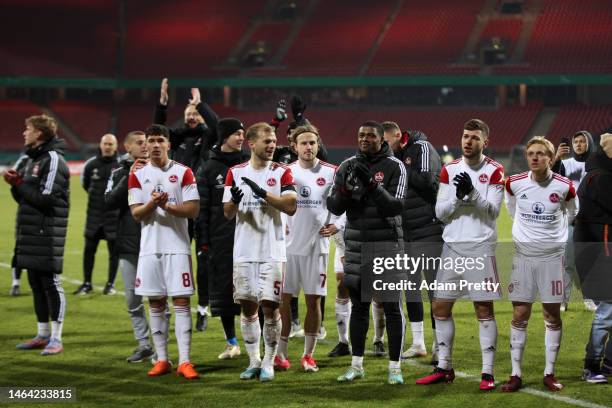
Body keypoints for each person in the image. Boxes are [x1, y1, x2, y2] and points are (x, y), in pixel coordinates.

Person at [416, 119, 504, 391]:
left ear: (484, 142)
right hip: (452, 248)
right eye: (465, 136)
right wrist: (458, 196)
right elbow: (441, 213)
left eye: (474, 138)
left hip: (481, 248)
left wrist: (473, 193)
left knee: (483, 309)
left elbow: (492, 211)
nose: (468, 141)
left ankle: (487, 373)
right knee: (440, 308)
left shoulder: (495, 170)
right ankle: (444, 367)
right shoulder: (449, 169)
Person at [327, 120, 408, 385]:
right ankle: (356, 365)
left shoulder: (395, 166)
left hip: (386, 245)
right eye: (360, 135)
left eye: (370, 136)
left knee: (391, 307)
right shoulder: (347, 165)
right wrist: (346, 189)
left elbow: (395, 207)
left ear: (381, 139)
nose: (364, 139)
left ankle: (394, 368)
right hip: (356, 247)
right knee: (359, 308)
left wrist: (372, 186)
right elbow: (335, 207)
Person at [502, 136, 577, 392]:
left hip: (552, 259)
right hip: (523, 257)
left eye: (540, 153)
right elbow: (511, 209)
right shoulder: (514, 183)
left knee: (551, 315)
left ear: (551, 157)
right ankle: (515, 374)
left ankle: (549, 372)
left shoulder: (565, 186)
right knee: (520, 314)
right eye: (531, 153)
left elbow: (572, 213)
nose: (534, 157)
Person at [223, 122, 297, 382]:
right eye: (267, 141)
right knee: (247, 307)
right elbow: (227, 213)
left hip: (272, 251)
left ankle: (269, 361)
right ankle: (253, 359)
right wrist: (233, 200)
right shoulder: (234, 172)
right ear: (251, 144)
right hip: (244, 251)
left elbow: (290, 206)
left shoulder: (282, 172)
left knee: (270, 307)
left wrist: (263, 194)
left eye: (274, 140)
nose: (272, 144)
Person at [128, 124, 200, 379]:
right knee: (155, 303)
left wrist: (167, 206)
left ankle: (185, 361)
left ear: (169, 144)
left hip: (178, 247)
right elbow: (136, 213)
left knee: (181, 302)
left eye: (161, 140)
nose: (156, 145)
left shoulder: (183, 172)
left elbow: (193, 210)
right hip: (150, 249)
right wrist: (152, 203)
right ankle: (162, 360)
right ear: (145, 145)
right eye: (152, 141)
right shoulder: (137, 174)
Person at [4, 114, 69, 356]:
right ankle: (42, 335)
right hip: (30, 231)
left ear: (39, 133)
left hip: (46, 231)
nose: (24, 133)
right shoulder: (33, 160)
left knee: (50, 283)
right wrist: (17, 185)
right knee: (35, 283)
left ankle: (56, 338)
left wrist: (19, 183)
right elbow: (25, 198)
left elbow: (46, 198)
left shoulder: (52, 160)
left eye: (27, 129)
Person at [276, 125, 338, 373]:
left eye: (312, 142)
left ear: (318, 144)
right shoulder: (284, 172)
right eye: (303, 143)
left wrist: (337, 225)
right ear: (294, 147)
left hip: (317, 248)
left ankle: (308, 356)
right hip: (287, 249)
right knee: (283, 301)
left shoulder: (332, 172)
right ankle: (280, 354)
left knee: (314, 302)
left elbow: (341, 205)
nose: (308, 147)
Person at [156, 81, 219, 329]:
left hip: (201, 208)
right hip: (177, 208)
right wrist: (162, 105)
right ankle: (174, 307)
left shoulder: (208, 136)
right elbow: (158, 130)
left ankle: (203, 308)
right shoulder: (177, 136)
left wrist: (200, 105)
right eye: (188, 114)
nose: (192, 117)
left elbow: (216, 124)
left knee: (203, 260)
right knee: (176, 258)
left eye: (195, 114)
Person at [382, 122, 444, 362]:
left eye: (386, 142)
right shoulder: (394, 156)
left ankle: (440, 344)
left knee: (435, 291)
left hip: (429, 228)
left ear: (398, 135)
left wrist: (398, 168)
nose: (384, 147)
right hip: (404, 232)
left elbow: (428, 181)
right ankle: (418, 342)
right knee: (411, 288)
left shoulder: (422, 147)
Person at [195, 118, 249, 359]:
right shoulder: (208, 168)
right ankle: (231, 341)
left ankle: (253, 342)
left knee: (250, 292)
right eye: (236, 133)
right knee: (224, 292)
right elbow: (202, 210)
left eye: (243, 133)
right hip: (220, 239)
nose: (241, 137)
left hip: (250, 237)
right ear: (224, 136)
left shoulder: (249, 164)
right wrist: (203, 241)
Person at [104, 130, 155, 363]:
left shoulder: (161, 169)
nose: (145, 146)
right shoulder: (118, 172)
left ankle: (161, 349)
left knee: (158, 298)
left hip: (155, 242)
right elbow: (109, 201)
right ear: (128, 148)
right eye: (139, 143)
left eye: (147, 142)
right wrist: (130, 176)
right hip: (129, 243)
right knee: (132, 300)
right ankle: (144, 344)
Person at [574, 133, 612, 383]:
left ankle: (608, 362)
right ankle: (592, 364)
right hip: (603, 251)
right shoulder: (600, 178)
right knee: (607, 309)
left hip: (600, 249)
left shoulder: (597, 174)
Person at [552, 131, 596, 311]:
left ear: (589, 144)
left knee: (588, 262)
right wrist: (556, 158)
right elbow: (550, 180)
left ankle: (589, 298)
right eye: (575, 141)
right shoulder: (564, 164)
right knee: (567, 263)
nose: (578, 144)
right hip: (569, 221)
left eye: (582, 141)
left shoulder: (597, 165)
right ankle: (563, 299)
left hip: (590, 222)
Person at [74, 134, 121, 295]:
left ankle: (110, 285)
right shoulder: (90, 165)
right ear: (100, 145)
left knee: (113, 253)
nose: (108, 147)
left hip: (114, 217)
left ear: (116, 147)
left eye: (111, 144)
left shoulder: (121, 165)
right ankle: (87, 283)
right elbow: (86, 185)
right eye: (105, 143)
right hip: (94, 216)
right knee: (89, 250)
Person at [327, 212, 351, 357]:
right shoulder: (334, 189)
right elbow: (333, 217)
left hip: (367, 237)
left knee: (376, 293)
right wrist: (342, 251)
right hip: (343, 239)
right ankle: (343, 342)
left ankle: (378, 340)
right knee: (342, 286)